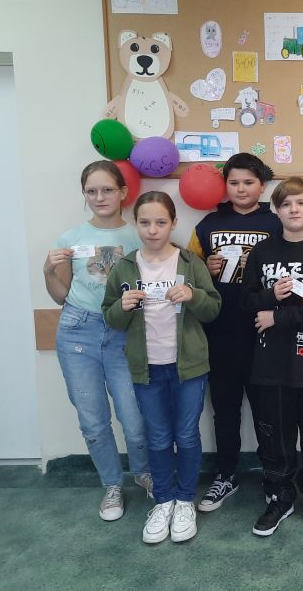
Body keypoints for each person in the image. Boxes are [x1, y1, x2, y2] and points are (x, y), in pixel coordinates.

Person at [102, 191, 222, 544]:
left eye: (160, 222)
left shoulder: (189, 262)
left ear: (173, 223)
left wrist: (193, 296)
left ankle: (185, 501)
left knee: (186, 435)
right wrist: (122, 306)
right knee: (156, 436)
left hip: (189, 367)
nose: (152, 230)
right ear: (136, 224)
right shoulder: (125, 266)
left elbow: (213, 309)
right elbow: (110, 317)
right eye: (144, 222)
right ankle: (164, 500)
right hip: (146, 368)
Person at [43, 160, 151, 522]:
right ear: (84, 195)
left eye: (107, 190)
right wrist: (47, 270)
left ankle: (144, 473)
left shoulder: (138, 235)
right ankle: (112, 486)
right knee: (92, 420)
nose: (100, 197)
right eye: (91, 191)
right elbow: (60, 295)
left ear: (123, 193)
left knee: (134, 418)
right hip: (78, 331)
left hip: (124, 331)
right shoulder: (70, 239)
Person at [240, 178, 303, 537]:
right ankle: (280, 497)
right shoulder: (263, 252)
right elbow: (246, 303)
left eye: (300, 203)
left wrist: (277, 317)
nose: (293, 209)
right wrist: (271, 296)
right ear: (276, 210)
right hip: (271, 364)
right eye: (285, 204)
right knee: (275, 437)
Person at [187, 153, 282, 513]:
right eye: (234, 182)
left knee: (267, 410)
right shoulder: (208, 225)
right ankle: (225, 474)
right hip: (220, 333)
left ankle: (274, 475)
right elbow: (187, 273)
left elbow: (294, 266)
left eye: (249, 182)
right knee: (225, 410)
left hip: (264, 334)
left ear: (263, 186)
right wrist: (205, 269)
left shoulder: (276, 222)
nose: (241, 189)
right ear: (224, 185)